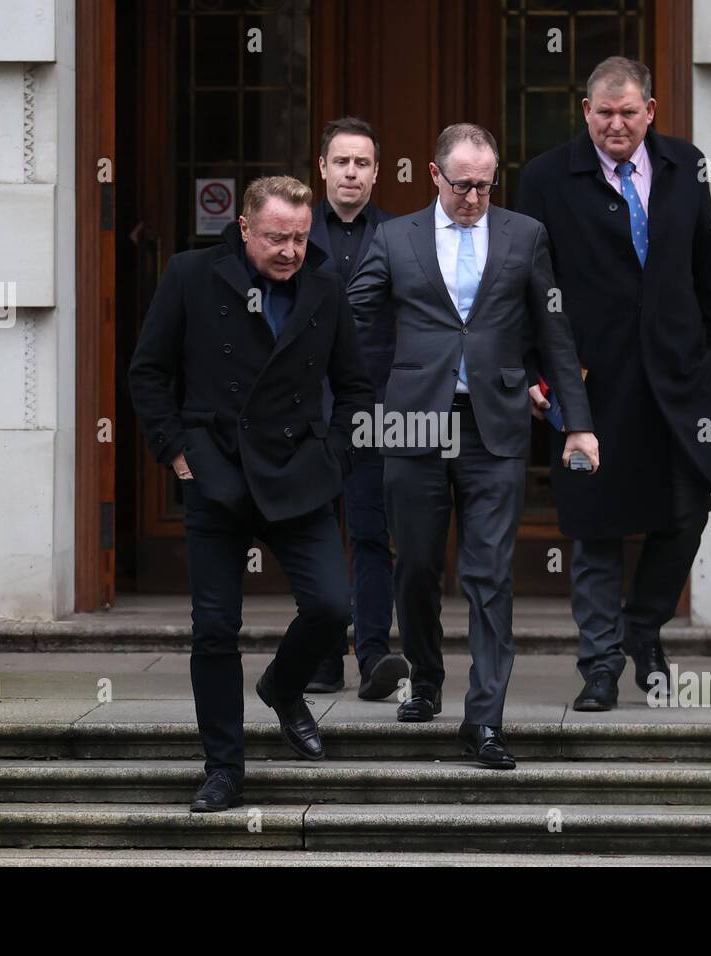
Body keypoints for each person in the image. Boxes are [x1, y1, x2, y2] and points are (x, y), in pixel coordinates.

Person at [347, 123, 598, 769]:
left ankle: (484, 721)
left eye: (486, 185)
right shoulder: (395, 236)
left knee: (489, 575)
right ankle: (426, 680)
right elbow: (352, 318)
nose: (475, 198)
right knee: (419, 565)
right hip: (413, 422)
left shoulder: (524, 235)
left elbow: (556, 330)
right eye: (463, 185)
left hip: (496, 424)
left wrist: (578, 421)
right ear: (434, 176)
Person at [128, 176, 374, 811]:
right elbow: (148, 372)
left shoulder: (325, 285)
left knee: (331, 607)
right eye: (275, 238)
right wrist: (175, 449)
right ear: (244, 229)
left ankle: (282, 688)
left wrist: (335, 455)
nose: (290, 250)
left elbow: (354, 386)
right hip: (217, 470)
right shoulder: (189, 275)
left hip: (298, 469)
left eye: (298, 237)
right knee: (214, 628)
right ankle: (223, 768)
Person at [516, 56, 711, 712]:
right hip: (591, 382)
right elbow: (529, 286)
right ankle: (601, 665)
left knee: (690, 507)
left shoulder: (684, 165)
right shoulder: (547, 178)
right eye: (603, 112)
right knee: (595, 525)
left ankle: (643, 629)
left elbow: (706, 262)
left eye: (628, 112)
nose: (616, 124)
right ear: (586, 112)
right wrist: (535, 371)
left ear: (651, 112)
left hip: (680, 379)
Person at [303, 116, 408, 700]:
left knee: (372, 534)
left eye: (362, 163)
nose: (351, 172)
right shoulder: (292, 231)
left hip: (375, 410)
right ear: (322, 168)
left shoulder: (400, 235)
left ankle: (372, 657)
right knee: (316, 533)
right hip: (307, 413)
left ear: (376, 171)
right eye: (341, 161)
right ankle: (321, 656)